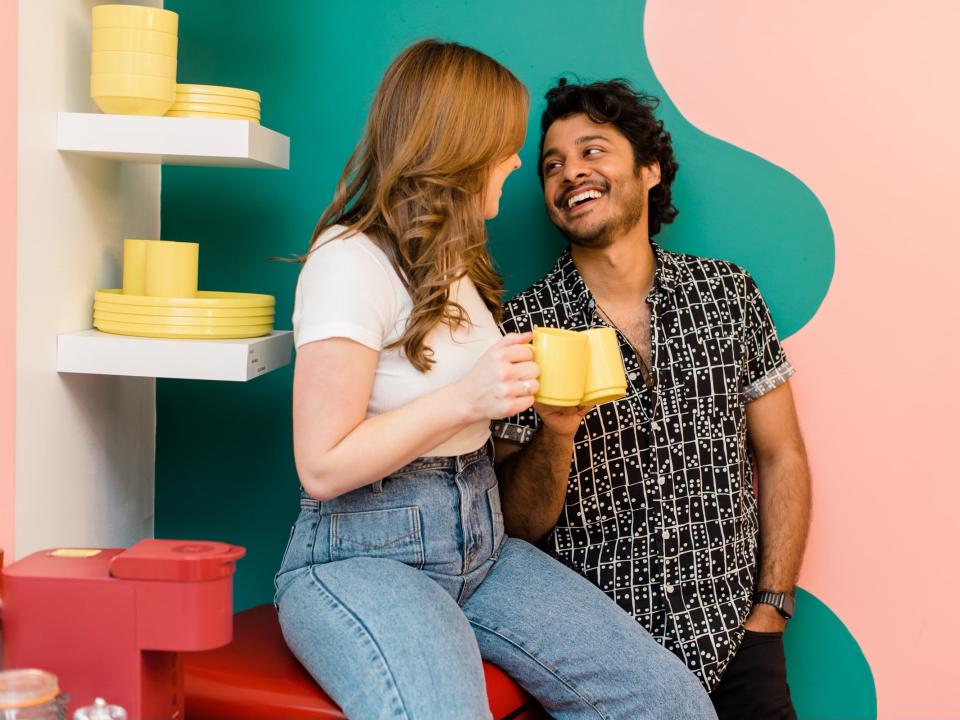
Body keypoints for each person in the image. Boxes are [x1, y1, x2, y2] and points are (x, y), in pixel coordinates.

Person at [274, 42, 716, 720]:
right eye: (507, 147)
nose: (516, 163)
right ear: (460, 150)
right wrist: (465, 398)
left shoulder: (457, 265)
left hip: (481, 545)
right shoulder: (349, 260)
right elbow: (323, 465)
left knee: (669, 702)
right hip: (362, 559)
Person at [493, 78, 812, 720]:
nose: (569, 173)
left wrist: (771, 609)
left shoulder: (728, 293)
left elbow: (781, 455)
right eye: (552, 165)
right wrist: (557, 433)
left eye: (592, 152)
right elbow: (516, 525)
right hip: (607, 667)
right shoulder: (520, 328)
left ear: (650, 169)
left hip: (739, 643)